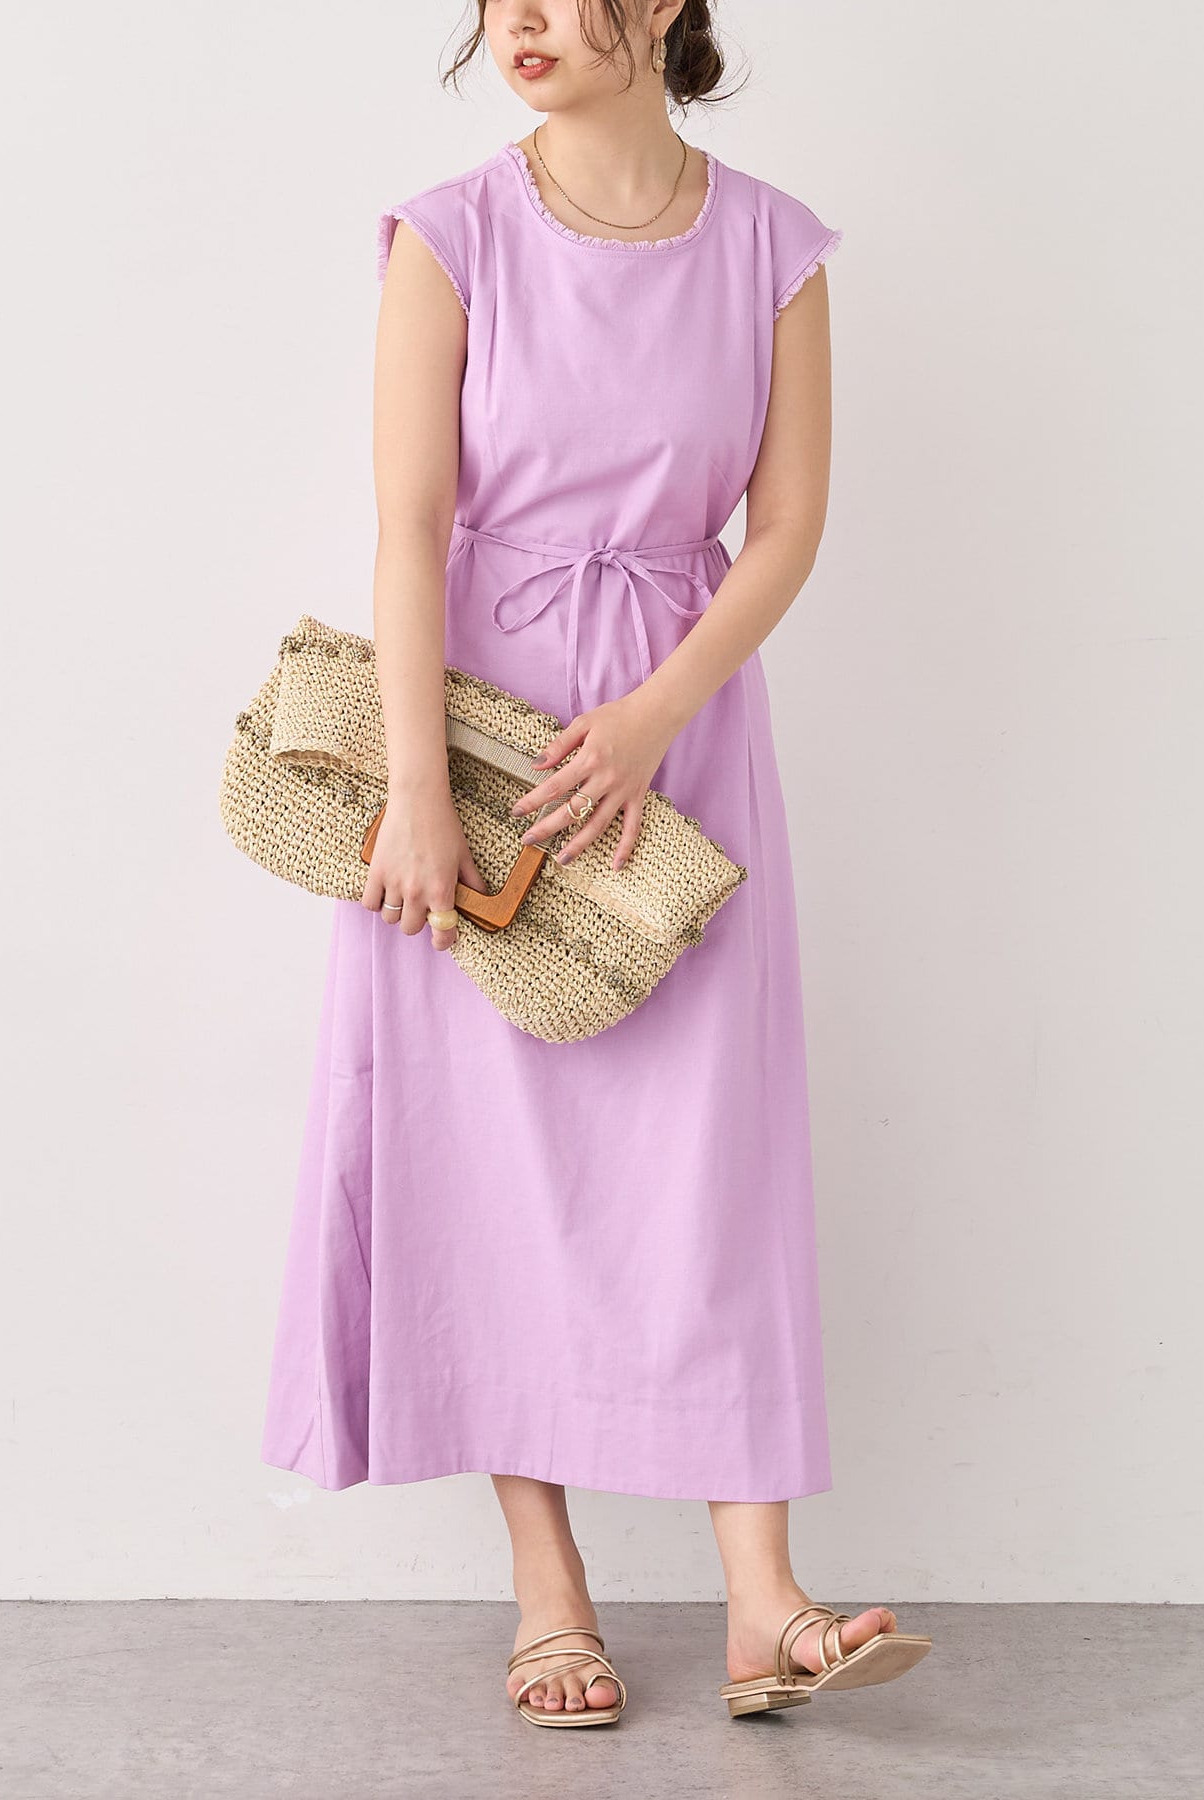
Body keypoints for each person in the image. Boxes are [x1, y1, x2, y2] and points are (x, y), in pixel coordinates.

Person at [259, 0, 932, 1726]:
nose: (527, 20)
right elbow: (412, 525)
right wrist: (417, 788)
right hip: (477, 732)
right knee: (484, 1154)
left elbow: (786, 526)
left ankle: (762, 1601)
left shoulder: (775, 248)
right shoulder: (450, 233)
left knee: (716, 1155)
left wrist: (651, 718)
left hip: (678, 737)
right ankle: (548, 1591)